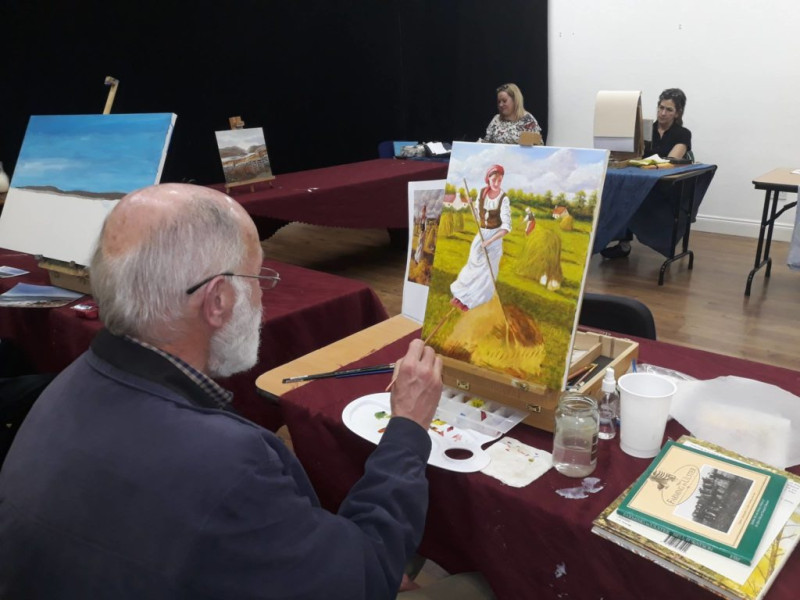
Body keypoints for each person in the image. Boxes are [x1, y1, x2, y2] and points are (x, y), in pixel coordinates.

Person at [0, 184, 493, 599]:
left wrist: (327, 551)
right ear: (216, 300)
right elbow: (366, 579)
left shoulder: (65, 384)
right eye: (258, 278)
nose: (262, 294)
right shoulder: (228, 462)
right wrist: (406, 427)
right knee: (479, 585)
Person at [601, 88, 692, 259]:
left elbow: (672, 161)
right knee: (619, 191)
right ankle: (622, 242)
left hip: (663, 186)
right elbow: (630, 153)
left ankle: (623, 241)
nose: (662, 113)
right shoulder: (644, 128)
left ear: (678, 113)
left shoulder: (683, 134)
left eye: (669, 110)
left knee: (626, 194)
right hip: (640, 181)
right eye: (661, 107)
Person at [450, 165, 510, 311]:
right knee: (473, 264)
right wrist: (472, 206)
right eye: (494, 180)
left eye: (499, 180)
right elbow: (479, 217)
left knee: (485, 272)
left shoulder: (504, 199)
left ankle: (472, 303)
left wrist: (489, 241)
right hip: (481, 233)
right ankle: (461, 296)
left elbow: (506, 227)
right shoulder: (482, 193)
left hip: (494, 239)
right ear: (488, 179)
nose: (496, 183)